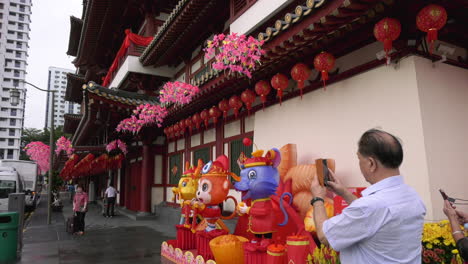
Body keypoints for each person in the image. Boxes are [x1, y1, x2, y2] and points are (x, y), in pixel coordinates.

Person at [310, 129, 426, 263]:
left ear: (371, 163)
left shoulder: (370, 206)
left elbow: (325, 237)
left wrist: (317, 199)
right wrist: (344, 193)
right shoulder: (412, 195)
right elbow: (372, 217)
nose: (359, 165)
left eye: (360, 159)